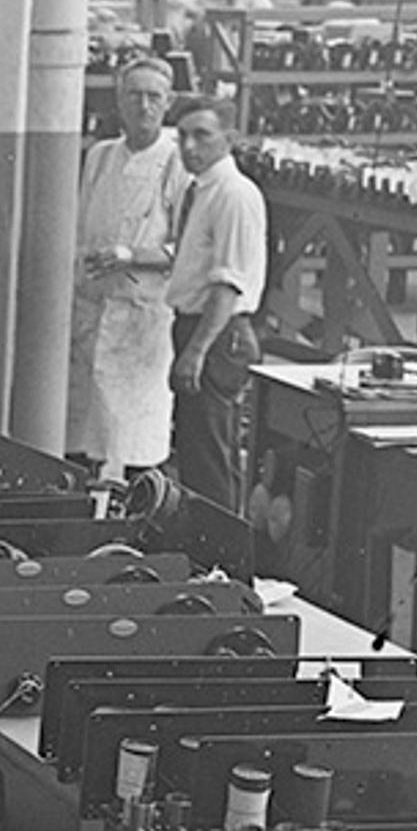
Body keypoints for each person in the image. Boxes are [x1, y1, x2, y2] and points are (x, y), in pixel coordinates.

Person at [66, 58, 186, 474]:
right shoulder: (100, 157)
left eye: (154, 97)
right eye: (134, 95)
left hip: (141, 322)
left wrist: (131, 256)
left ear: (168, 103)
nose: (144, 106)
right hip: (91, 314)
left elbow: (185, 251)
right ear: (119, 101)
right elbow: (80, 232)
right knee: (81, 438)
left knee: (134, 446)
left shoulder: (176, 164)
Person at [164, 95, 266, 511]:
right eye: (183, 136)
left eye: (202, 135)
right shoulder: (201, 189)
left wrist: (196, 352)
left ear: (230, 138)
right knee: (196, 456)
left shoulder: (234, 195)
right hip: (195, 327)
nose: (189, 146)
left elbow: (229, 284)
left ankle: (220, 567)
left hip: (218, 335)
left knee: (211, 462)